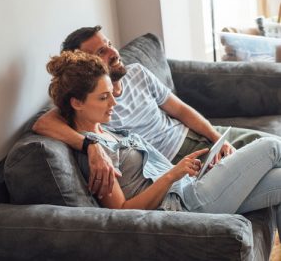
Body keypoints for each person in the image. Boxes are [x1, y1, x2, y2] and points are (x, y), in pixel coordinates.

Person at [46, 50, 281, 240]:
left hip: (190, 189)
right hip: (186, 207)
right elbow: (123, 213)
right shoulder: (97, 159)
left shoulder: (105, 133)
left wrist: (190, 172)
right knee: (271, 145)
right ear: (77, 103)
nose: (114, 103)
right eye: (103, 97)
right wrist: (173, 175)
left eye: (111, 94)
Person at [33, 25, 274, 199]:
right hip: (174, 161)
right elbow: (43, 123)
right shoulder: (92, 106)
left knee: (273, 146)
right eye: (101, 53)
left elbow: (180, 109)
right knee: (270, 158)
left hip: (195, 138)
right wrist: (90, 145)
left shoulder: (136, 72)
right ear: (86, 65)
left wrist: (215, 139)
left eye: (109, 44)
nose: (113, 53)